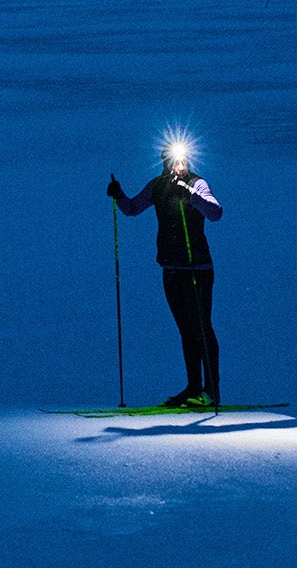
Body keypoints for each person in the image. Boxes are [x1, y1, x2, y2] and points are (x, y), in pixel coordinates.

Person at [107, 146, 222, 408]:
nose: (179, 165)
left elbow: (215, 213)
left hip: (198, 270)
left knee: (201, 328)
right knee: (186, 330)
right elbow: (133, 208)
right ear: (165, 162)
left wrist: (191, 196)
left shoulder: (197, 183)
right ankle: (193, 387)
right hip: (171, 270)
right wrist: (119, 195)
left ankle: (211, 390)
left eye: (183, 160)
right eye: (174, 161)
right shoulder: (158, 186)